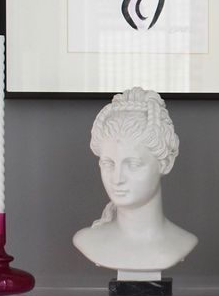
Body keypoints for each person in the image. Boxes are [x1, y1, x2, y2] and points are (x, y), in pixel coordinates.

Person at [73, 87, 197, 277]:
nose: (117, 178)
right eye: (108, 164)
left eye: (132, 164)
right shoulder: (88, 240)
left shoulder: (182, 243)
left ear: (165, 163)